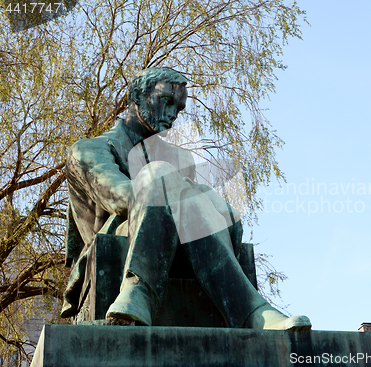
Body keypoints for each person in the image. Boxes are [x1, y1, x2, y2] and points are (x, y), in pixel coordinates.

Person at [61, 67, 311, 331]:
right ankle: (249, 311)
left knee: (193, 201)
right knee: (163, 177)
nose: (172, 114)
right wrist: (170, 181)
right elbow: (120, 198)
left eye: (178, 108)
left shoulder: (181, 159)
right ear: (136, 96)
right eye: (166, 101)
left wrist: (208, 199)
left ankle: (250, 310)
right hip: (120, 238)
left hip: (182, 238)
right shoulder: (88, 149)